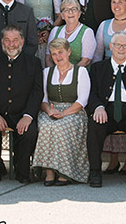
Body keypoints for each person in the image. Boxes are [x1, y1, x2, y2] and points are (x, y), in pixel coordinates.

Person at [0, 26, 44, 184]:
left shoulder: (33, 63)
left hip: (21, 114)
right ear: (1, 42)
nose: (11, 44)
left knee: (30, 132)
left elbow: (37, 93)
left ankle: (22, 167)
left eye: (15, 40)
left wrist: (28, 116)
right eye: (7, 40)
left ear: (22, 41)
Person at [86, 32, 126, 188]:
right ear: (111, 47)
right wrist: (98, 107)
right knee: (94, 125)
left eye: (125, 46)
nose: (121, 49)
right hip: (106, 111)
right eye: (117, 45)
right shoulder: (98, 68)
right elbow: (92, 93)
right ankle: (95, 171)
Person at [33, 38, 91, 186]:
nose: (58, 57)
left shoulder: (80, 71)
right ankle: (50, 171)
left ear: (69, 52)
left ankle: (65, 171)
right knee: (46, 126)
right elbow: (43, 99)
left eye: (61, 52)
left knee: (60, 127)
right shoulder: (47, 72)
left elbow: (82, 101)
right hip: (51, 110)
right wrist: (50, 111)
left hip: (74, 112)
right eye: (53, 54)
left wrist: (64, 113)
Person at [47, 0, 95, 67]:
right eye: (66, 10)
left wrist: (69, 74)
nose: (70, 12)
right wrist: (53, 74)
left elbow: (86, 61)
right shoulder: (55, 31)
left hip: (77, 75)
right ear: (62, 15)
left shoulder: (87, 32)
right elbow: (48, 58)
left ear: (79, 13)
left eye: (74, 9)